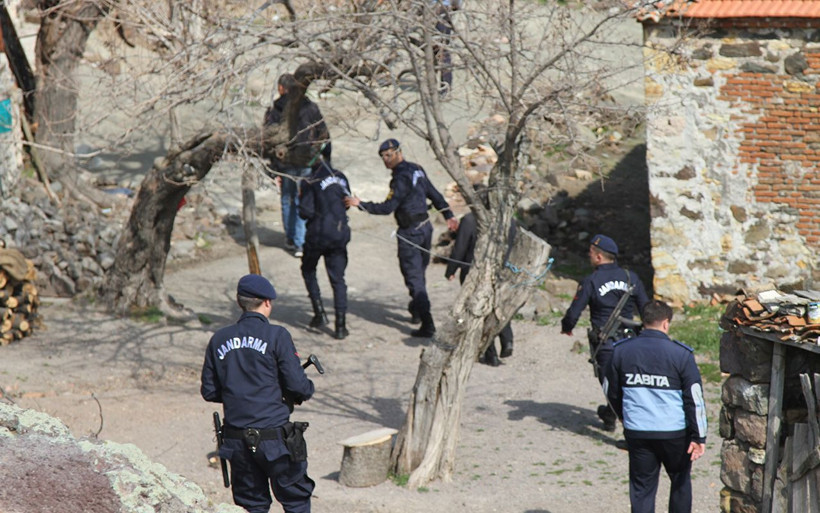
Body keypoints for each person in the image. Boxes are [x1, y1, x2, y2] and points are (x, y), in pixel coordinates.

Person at [201, 274, 316, 513]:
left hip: (237, 440)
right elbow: (298, 386)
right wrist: (303, 389)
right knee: (296, 501)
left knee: (252, 506)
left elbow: (209, 391)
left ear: (239, 302)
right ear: (267, 302)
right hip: (274, 439)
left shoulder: (219, 338)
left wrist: (239, 392)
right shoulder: (277, 335)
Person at [344, 138, 458, 337]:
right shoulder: (416, 169)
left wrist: (360, 204)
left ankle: (427, 324)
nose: (386, 160)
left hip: (411, 233)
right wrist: (448, 214)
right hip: (425, 229)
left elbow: (387, 207)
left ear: (399, 152)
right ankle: (417, 310)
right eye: (382, 156)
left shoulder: (401, 178)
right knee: (419, 273)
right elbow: (435, 195)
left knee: (413, 277)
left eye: (389, 155)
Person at [604, 300, 707, 513]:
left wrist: (623, 415)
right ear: (666, 323)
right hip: (674, 433)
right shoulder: (681, 354)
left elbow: (610, 390)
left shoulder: (621, 351)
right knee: (680, 482)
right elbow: (694, 399)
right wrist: (699, 436)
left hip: (638, 431)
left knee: (642, 489)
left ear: (644, 321)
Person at [560, 233, 650, 431]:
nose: (589, 256)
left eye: (591, 253)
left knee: (612, 387)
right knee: (629, 383)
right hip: (631, 341)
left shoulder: (591, 281)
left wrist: (567, 327)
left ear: (599, 257)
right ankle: (610, 415)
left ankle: (632, 433)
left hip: (605, 342)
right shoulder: (631, 277)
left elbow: (574, 312)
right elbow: (646, 310)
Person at [445, 184, 515, 366]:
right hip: (501, 272)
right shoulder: (509, 221)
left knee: (479, 311)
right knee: (497, 306)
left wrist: (451, 270)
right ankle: (507, 339)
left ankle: (490, 353)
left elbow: (460, 249)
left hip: (474, 273)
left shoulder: (470, 220)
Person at [264, 73, 332, 258]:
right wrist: (324, 159)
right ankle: (300, 242)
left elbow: (268, 140)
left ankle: (291, 238)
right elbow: (324, 134)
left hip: (284, 163)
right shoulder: (310, 107)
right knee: (302, 199)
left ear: (281, 88)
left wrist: (273, 167)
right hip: (306, 162)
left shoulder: (274, 110)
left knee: (288, 199)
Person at [298, 158, 352, 339]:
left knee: (308, 269)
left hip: (318, 235)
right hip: (339, 233)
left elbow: (305, 212)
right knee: (338, 279)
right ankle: (340, 326)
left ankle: (319, 313)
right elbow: (347, 203)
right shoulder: (341, 176)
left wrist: (299, 197)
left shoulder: (309, 181)